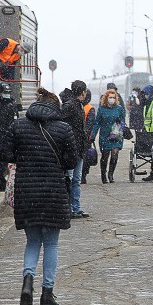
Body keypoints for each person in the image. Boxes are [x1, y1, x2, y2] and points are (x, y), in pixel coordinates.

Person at [1, 87, 78, 305]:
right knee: (51, 243)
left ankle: (27, 281)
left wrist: (27, 159)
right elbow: (71, 161)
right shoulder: (64, 128)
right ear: (56, 107)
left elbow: (7, 154)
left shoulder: (18, 126)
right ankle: (47, 295)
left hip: (27, 191)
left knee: (32, 241)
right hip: (53, 192)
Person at [61, 80, 89, 218]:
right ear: (82, 92)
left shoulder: (78, 105)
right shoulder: (70, 106)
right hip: (71, 148)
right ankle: (70, 208)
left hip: (79, 148)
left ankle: (76, 208)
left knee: (76, 180)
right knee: (71, 179)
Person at [0, 39, 31, 109]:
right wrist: (0, 62)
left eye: (25, 52)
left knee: (3, 83)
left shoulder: (17, 55)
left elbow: (11, 67)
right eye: (23, 50)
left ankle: (1, 102)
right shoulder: (7, 42)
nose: (23, 53)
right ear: (21, 46)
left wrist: (9, 80)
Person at [91, 88, 126, 184]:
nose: (112, 99)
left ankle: (111, 174)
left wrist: (119, 129)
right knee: (105, 156)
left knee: (115, 154)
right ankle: (103, 174)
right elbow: (97, 123)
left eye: (113, 97)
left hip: (116, 134)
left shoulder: (119, 108)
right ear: (106, 98)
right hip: (104, 135)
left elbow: (123, 121)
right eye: (110, 97)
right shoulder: (101, 109)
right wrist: (93, 135)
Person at [0, 82, 18, 191]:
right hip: (0, 136)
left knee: (2, 160)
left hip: (3, 135)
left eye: (8, 92)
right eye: (5, 92)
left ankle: (0, 181)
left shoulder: (7, 104)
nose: (7, 94)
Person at [81, 89, 96, 184]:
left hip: (86, 138)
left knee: (85, 157)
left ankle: (84, 174)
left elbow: (90, 124)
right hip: (81, 136)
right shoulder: (79, 106)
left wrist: (85, 135)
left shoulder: (90, 108)